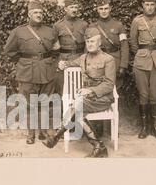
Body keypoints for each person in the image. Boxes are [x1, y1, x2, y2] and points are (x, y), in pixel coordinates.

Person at [42, 27, 116, 158]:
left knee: (77, 105)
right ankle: (99, 146)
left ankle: (56, 137)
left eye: (93, 41)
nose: (90, 44)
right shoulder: (83, 58)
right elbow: (69, 63)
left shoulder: (108, 59)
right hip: (86, 100)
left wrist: (90, 90)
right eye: (87, 42)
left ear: (100, 43)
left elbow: (109, 84)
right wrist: (63, 64)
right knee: (78, 110)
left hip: (102, 98)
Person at [3, 0, 60, 144]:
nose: (39, 15)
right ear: (29, 14)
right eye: (35, 12)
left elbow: (56, 49)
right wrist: (23, 61)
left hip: (46, 72)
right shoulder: (19, 31)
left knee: (45, 103)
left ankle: (42, 131)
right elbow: (9, 51)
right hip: (27, 73)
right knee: (28, 104)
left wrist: (49, 62)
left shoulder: (50, 30)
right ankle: (30, 134)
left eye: (40, 12)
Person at [129, 0, 156, 140]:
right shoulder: (137, 21)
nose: (150, 7)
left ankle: (155, 127)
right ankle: (144, 127)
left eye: (152, 4)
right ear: (142, 6)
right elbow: (133, 40)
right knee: (143, 95)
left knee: (154, 94)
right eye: (147, 4)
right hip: (141, 61)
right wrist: (140, 53)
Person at [89, 0, 129, 89]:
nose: (103, 11)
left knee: (115, 90)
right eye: (101, 8)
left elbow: (124, 46)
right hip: (97, 62)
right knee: (98, 90)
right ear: (97, 10)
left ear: (110, 9)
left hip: (114, 61)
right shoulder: (92, 27)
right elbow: (88, 47)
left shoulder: (118, 25)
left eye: (106, 8)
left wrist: (123, 65)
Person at [53, 0, 88, 96]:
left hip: (80, 58)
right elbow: (54, 47)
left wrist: (85, 58)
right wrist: (58, 62)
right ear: (65, 9)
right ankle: (64, 110)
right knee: (63, 87)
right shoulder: (58, 26)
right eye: (71, 7)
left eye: (76, 7)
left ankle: (80, 109)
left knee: (80, 86)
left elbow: (87, 44)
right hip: (64, 59)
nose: (74, 10)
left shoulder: (84, 24)